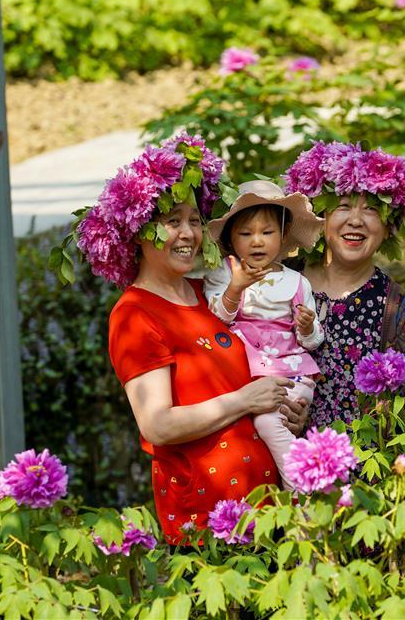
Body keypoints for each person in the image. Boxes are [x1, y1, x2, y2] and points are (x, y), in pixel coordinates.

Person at [71, 134, 308, 544]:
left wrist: (286, 406)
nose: (188, 234)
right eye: (172, 221)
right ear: (139, 231)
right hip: (208, 519)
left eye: (195, 221)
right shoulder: (134, 314)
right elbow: (158, 425)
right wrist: (245, 400)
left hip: (270, 512)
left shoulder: (209, 294)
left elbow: (265, 359)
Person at [282, 141, 405, 427]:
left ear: (388, 229)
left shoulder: (397, 306)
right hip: (280, 455)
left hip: (364, 463)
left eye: (371, 210)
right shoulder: (282, 281)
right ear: (321, 218)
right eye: (344, 206)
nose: (356, 220)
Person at [204, 180, 324, 491]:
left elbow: (313, 342)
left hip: (291, 373)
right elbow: (217, 318)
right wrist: (236, 288)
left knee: (268, 422)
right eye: (245, 233)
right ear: (231, 238)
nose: (257, 242)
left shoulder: (297, 282)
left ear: (283, 236)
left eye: (267, 232)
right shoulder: (225, 275)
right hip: (248, 376)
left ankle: (302, 486)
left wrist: (307, 325)